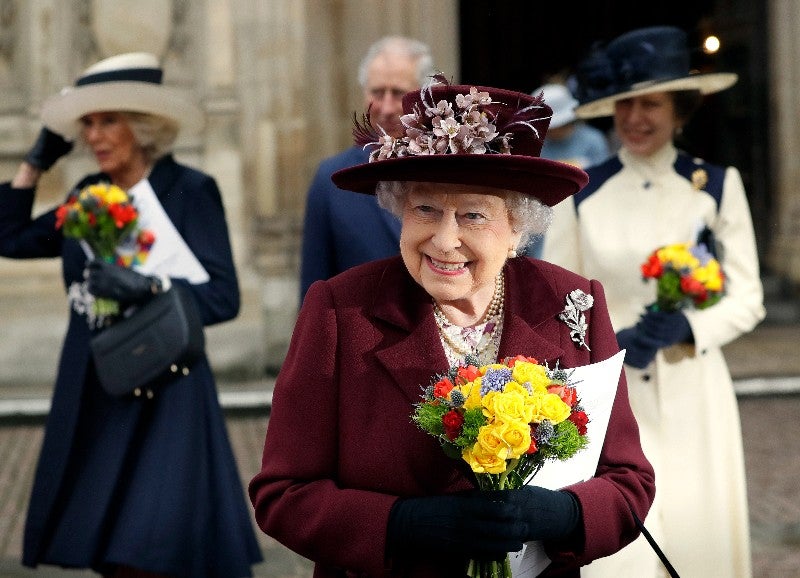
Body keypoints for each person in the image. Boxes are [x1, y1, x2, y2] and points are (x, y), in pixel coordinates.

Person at [249, 80, 655, 577]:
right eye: (425, 209)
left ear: (516, 230)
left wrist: (564, 514)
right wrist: (403, 523)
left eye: (472, 215)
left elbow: (629, 481)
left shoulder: (574, 304)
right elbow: (282, 496)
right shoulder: (340, 311)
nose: (444, 240)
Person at [0, 52, 262, 577]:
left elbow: (223, 297)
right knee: (110, 547)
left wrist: (150, 286)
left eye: (108, 120)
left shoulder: (190, 191)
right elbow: (9, 238)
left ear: (142, 128)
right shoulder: (87, 197)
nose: (94, 135)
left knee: (152, 551)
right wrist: (33, 165)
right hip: (96, 382)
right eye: (88, 124)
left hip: (168, 386)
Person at [542, 26, 765, 578]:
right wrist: (601, 347)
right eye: (626, 104)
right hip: (612, 396)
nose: (636, 117)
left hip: (693, 392)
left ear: (680, 110)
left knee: (697, 545)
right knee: (626, 556)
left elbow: (749, 297)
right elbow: (556, 298)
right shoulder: (582, 190)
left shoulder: (714, 185)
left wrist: (689, 327)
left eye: (651, 103)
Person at [299, 35, 436, 302]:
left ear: (424, 96)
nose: (385, 107)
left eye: (398, 93)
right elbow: (313, 293)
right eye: (376, 93)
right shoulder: (332, 179)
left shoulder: (454, 171)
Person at [523, 83, 610, 257]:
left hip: (583, 216)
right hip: (543, 219)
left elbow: (604, 185)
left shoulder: (593, 141)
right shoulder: (535, 144)